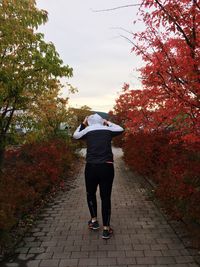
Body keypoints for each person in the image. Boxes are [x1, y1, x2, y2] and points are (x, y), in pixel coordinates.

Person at [73, 113, 124, 239]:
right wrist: (108, 123)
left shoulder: (88, 130)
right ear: (102, 121)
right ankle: (106, 229)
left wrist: (83, 124)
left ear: (89, 121)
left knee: (90, 193)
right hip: (107, 166)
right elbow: (121, 129)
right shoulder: (108, 130)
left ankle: (94, 222)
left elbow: (75, 135)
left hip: (91, 167)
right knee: (105, 197)